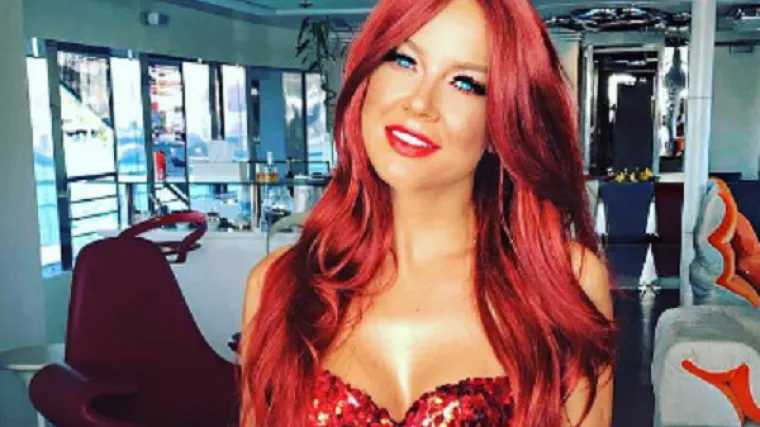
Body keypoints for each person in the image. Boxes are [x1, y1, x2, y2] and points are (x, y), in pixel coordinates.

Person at [239, 0, 616, 425]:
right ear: (366, 76)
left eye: (466, 83)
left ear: (503, 124)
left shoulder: (563, 287)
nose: (420, 103)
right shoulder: (279, 287)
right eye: (404, 60)